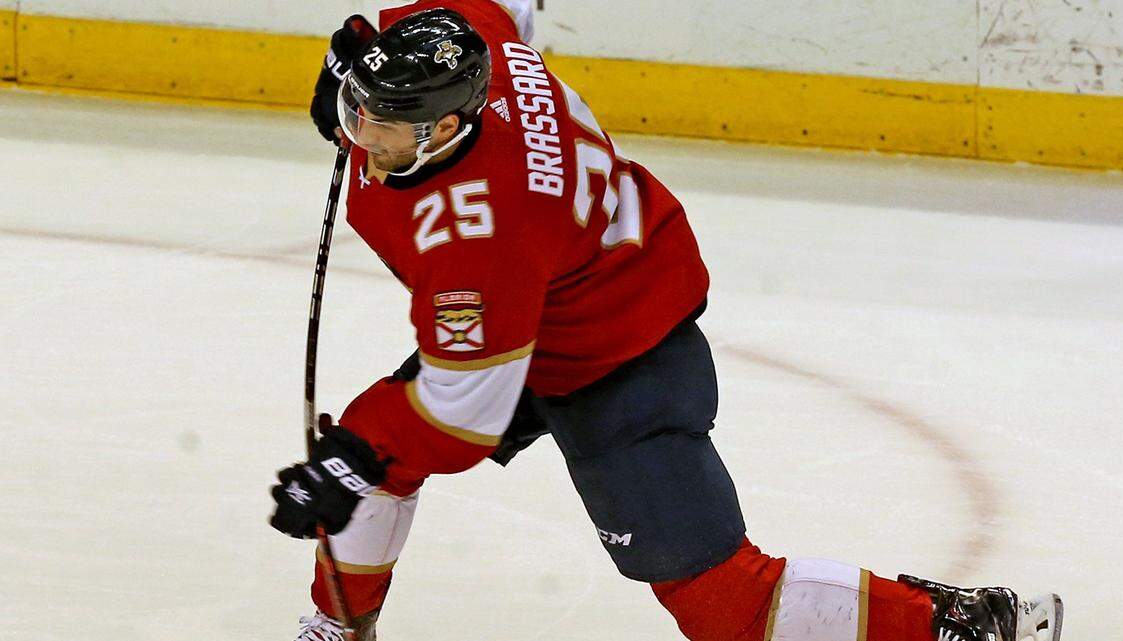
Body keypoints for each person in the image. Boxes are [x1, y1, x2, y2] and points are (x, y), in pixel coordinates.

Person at [269, 2, 1063, 640]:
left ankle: (963, 625)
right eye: (356, 109)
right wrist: (364, 79)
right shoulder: (468, 39)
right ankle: (339, 627)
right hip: (548, 299)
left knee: (723, 605)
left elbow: (462, 410)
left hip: (620, 348)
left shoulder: (488, 233)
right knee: (371, 458)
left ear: (445, 129)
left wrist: (354, 452)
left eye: (379, 124)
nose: (357, 136)